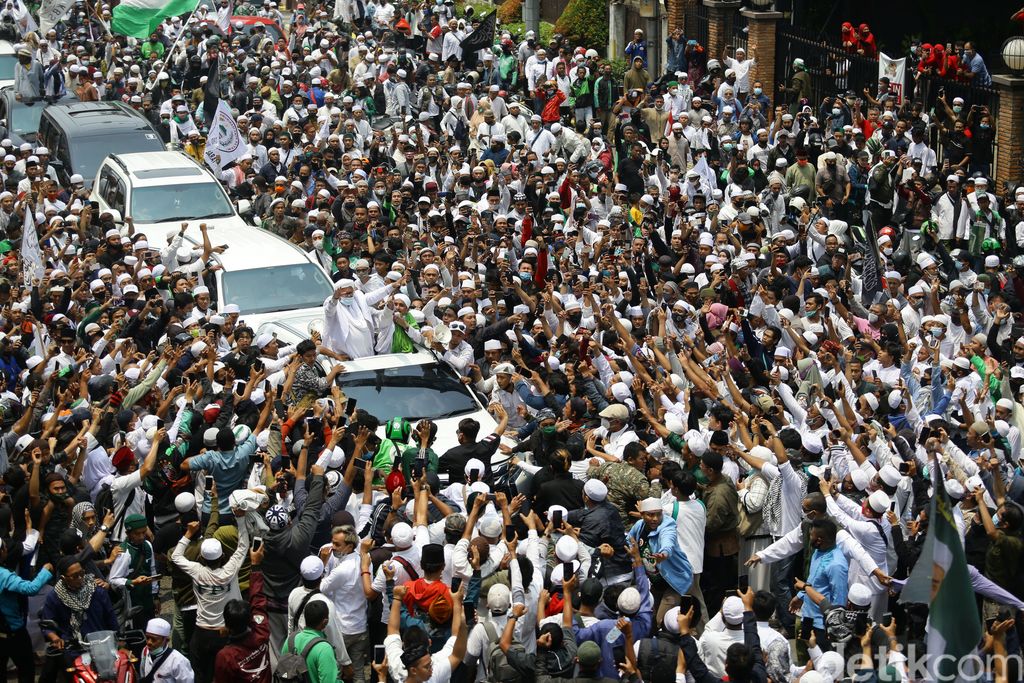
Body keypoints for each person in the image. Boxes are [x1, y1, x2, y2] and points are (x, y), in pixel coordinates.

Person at [140, 617, 195, 683]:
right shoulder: (145, 651)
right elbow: (143, 673)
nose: (149, 642)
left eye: (154, 639)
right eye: (147, 637)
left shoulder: (178, 661)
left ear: (166, 640)